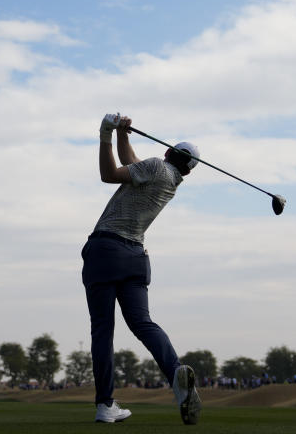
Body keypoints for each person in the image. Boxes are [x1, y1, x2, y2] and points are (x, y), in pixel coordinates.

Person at [81, 113, 203, 424]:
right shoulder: (169, 180)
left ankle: (105, 405)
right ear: (187, 171)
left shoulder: (155, 167)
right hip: (135, 256)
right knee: (142, 322)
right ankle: (176, 375)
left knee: (102, 331)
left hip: (106, 250)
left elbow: (110, 174)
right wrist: (125, 135)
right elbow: (132, 162)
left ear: (167, 152)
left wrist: (105, 133)